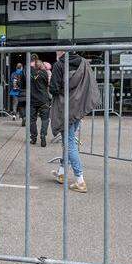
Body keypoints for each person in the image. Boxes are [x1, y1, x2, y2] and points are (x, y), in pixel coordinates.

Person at [49, 50, 100, 193]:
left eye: (57, 50)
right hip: (78, 106)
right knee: (69, 141)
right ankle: (61, 173)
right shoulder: (83, 63)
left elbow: (53, 88)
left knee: (69, 142)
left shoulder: (59, 65)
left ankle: (80, 180)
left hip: (65, 107)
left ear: (61, 51)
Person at [27, 54, 51, 147]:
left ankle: (33, 138)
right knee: (45, 119)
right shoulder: (44, 73)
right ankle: (43, 135)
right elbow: (47, 84)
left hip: (32, 100)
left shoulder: (30, 72)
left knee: (32, 120)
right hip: (44, 99)